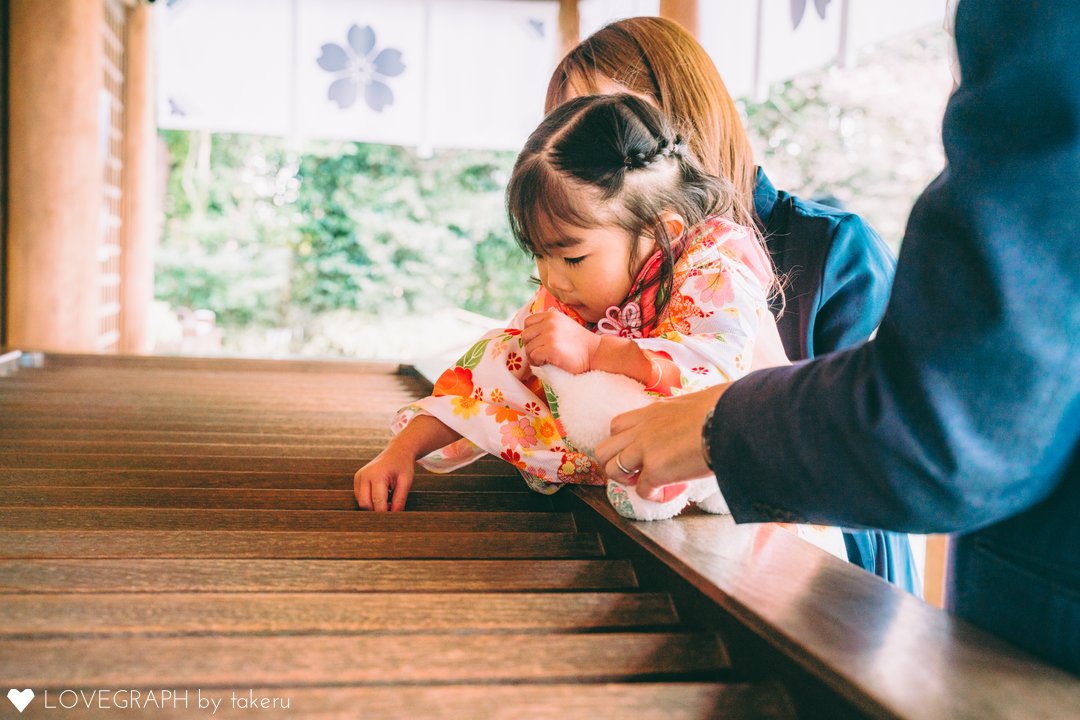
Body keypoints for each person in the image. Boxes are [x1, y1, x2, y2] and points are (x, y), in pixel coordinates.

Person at [596, 0, 1080, 674]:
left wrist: (717, 426)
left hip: (831, 614)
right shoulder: (601, 261)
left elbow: (944, 428)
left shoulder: (833, 250)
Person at [546, 16, 918, 593]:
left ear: (686, 117)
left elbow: (887, 445)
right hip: (647, 559)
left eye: (614, 125)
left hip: (818, 583)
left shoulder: (837, 250)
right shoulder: (596, 256)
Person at [354, 93, 787, 520]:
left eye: (572, 257)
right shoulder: (568, 297)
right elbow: (495, 374)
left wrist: (596, 352)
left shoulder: (714, 271)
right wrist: (403, 450)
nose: (552, 279)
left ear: (660, 233)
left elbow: (716, 375)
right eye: (539, 254)